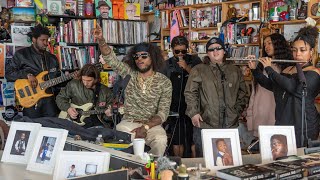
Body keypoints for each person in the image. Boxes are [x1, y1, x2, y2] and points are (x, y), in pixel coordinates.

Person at [94, 24, 172, 156]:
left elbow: (163, 113)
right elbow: (111, 59)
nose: (139, 59)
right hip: (128, 122)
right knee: (119, 135)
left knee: (160, 140)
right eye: (136, 57)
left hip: (152, 126)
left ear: (152, 57)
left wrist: (145, 127)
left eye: (144, 56)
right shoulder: (129, 73)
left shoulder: (164, 82)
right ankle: (128, 169)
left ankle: (151, 168)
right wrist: (101, 40)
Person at [248, 26, 320, 147]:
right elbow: (272, 86)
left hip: (303, 125)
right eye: (294, 50)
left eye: (303, 50)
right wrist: (255, 70)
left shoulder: (314, 72)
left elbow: (294, 88)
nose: (297, 54)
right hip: (283, 121)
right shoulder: (288, 68)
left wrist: (269, 69)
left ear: (311, 52)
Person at [184, 37, 248, 157]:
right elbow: (190, 92)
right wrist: (194, 113)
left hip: (230, 124)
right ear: (207, 53)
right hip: (205, 123)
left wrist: (236, 111)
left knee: (229, 158)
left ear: (224, 51)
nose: (215, 51)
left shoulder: (234, 70)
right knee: (204, 158)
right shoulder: (199, 70)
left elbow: (243, 93)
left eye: (218, 48)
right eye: (211, 49)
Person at [5, 24, 60, 118]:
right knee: (32, 128)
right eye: (43, 40)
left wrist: (70, 78)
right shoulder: (21, 54)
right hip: (30, 100)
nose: (46, 43)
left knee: (52, 128)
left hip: (50, 101)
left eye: (47, 40)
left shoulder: (52, 58)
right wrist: (27, 75)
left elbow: (58, 80)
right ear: (34, 39)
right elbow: (9, 74)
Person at [246, 33, 293, 139]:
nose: (266, 47)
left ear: (278, 44)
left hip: (277, 115)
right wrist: (250, 113)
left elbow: (277, 86)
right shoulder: (261, 65)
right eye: (265, 44)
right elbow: (255, 91)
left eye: (269, 43)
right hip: (260, 113)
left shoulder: (288, 66)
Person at [163, 36, 202, 158]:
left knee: (193, 139)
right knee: (177, 138)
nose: (180, 54)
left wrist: (187, 68)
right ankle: (179, 163)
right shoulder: (166, 64)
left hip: (193, 105)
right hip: (174, 105)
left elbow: (203, 79)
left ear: (187, 49)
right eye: (177, 51)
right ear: (172, 49)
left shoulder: (195, 60)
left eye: (183, 51)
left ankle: (194, 164)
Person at [56, 64, 113, 128]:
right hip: (76, 123)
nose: (85, 83)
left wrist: (109, 115)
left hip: (98, 125)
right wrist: (68, 108)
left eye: (89, 80)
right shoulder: (73, 85)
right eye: (83, 80)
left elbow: (108, 120)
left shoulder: (106, 92)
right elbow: (60, 97)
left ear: (96, 79)